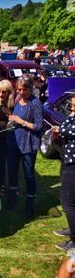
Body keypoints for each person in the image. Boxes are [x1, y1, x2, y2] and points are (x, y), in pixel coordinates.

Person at [7, 75, 43, 218]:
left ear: (30, 88)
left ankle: (30, 204)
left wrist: (20, 121)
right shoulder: (17, 100)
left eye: (24, 89)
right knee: (13, 172)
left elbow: (39, 126)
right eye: (18, 89)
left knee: (29, 175)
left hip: (28, 145)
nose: (21, 92)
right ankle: (12, 198)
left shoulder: (35, 103)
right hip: (14, 142)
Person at [53, 94, 75, 251]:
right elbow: (64, 125)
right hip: (68, 161)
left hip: (74, 166)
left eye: (74, 106)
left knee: (68, 204)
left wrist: (60, 129)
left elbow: (64, 131)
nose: (71, 109)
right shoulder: (73, 118)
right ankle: (72, 229)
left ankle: (74, 240)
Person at [0, 80, 15, 197]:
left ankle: (13, 186)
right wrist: (6, 124)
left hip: (13, 138)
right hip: (0, 138)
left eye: (4, 92)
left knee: (13, 163)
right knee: (0, 163)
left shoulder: (14, 105)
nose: (0, 94)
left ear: (9, 92)